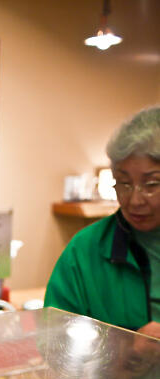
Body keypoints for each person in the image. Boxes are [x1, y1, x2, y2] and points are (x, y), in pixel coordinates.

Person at [44, 105, 160, 338]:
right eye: (124, 183)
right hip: (112, 375)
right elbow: (53, 342)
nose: (135, 200)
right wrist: (126, 353)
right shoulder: (85, 250)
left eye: (151, 184)